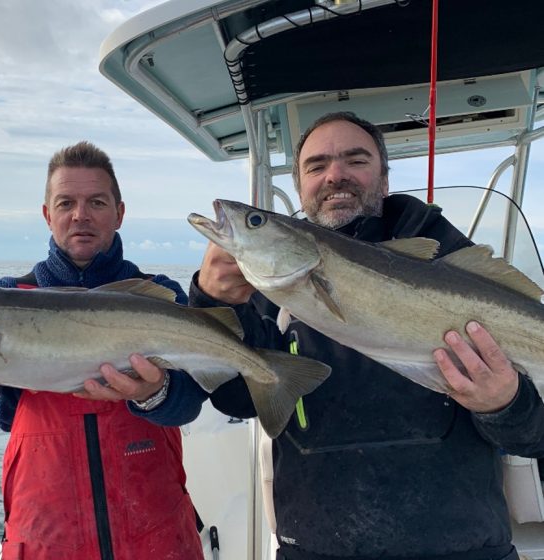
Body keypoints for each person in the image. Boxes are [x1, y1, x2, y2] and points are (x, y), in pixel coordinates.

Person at [130, 112, 544, 560]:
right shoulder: (270, 291)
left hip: (464, 550)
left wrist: (505, 406)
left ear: (383, 180)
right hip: (315, 548)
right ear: (302, 187)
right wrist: (216, 304)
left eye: (355, 160)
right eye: (316, 165)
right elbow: (239, 400)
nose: (335, 175)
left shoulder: (448, 262)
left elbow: (533, 439)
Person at [0, 141, 204, 560]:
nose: (81, 215)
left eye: (96, 201)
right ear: (48, 214)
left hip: (156, 529)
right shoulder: (5, 298)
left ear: (119, 213)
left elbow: (188, 405)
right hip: (47, 535)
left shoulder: (158, 296)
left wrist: (153, 393)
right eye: (66, 203)